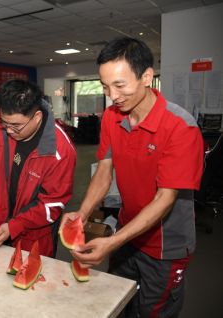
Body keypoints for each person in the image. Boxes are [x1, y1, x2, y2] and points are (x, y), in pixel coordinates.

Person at [61, 37, 204, 317]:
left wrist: (111, 243)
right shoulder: (112, 117)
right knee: (121, 305)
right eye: (105, 86)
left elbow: (166, 198)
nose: (112, 95)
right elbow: (104, 172)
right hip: (127, 234)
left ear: (146, 77)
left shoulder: (180, 127)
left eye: (120, 85)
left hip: (166, 248)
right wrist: (83, 213)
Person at [0, 79, 76, 257]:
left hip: (33, 235)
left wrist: (15, 225)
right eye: (4, 124)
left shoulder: (60, 151)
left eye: (15, 126)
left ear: (37, 117)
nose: (8, 131)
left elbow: (51, 205)